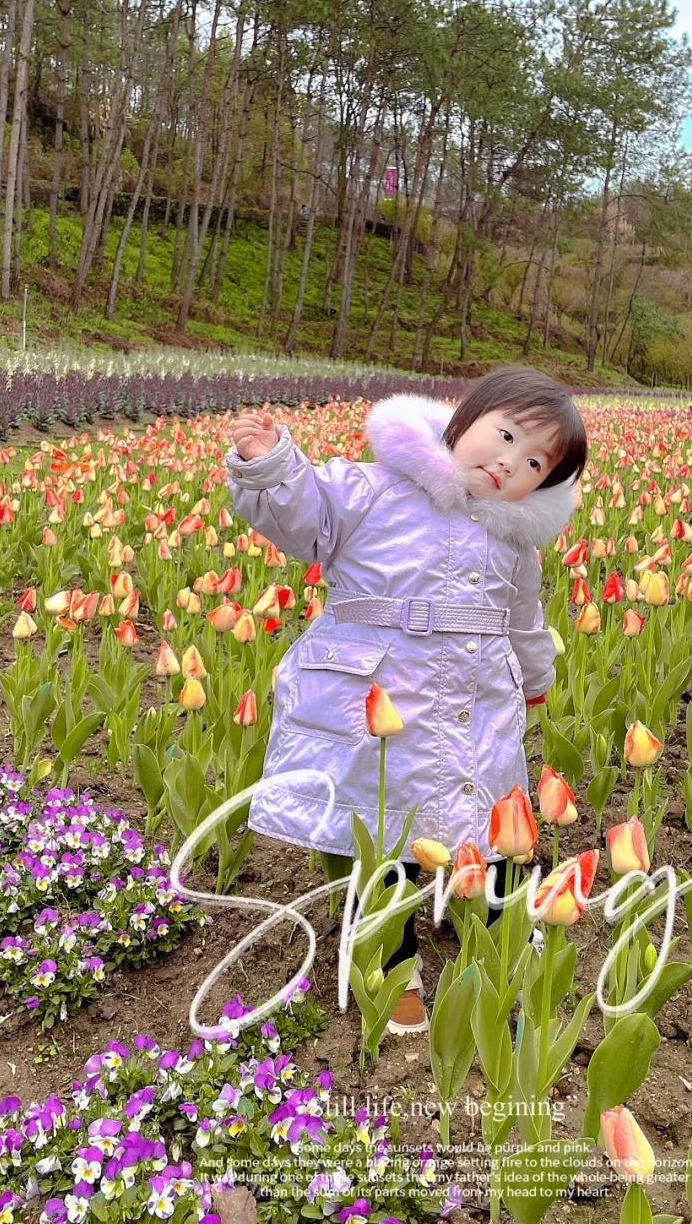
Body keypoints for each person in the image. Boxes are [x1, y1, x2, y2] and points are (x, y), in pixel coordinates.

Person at [226, 367, 588, 1034]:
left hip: (477, 704)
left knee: (496, 827)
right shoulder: (373, 489)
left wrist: (535, 678)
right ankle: (391, 963)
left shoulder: (515, 543)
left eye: (537, 463)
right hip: (381, 697)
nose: (511, 462)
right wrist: (271, 465)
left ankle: (505, 940)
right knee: (388, 831)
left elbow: (523, 621)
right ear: (463, 420)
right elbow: (306, 515)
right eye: (507, 436)